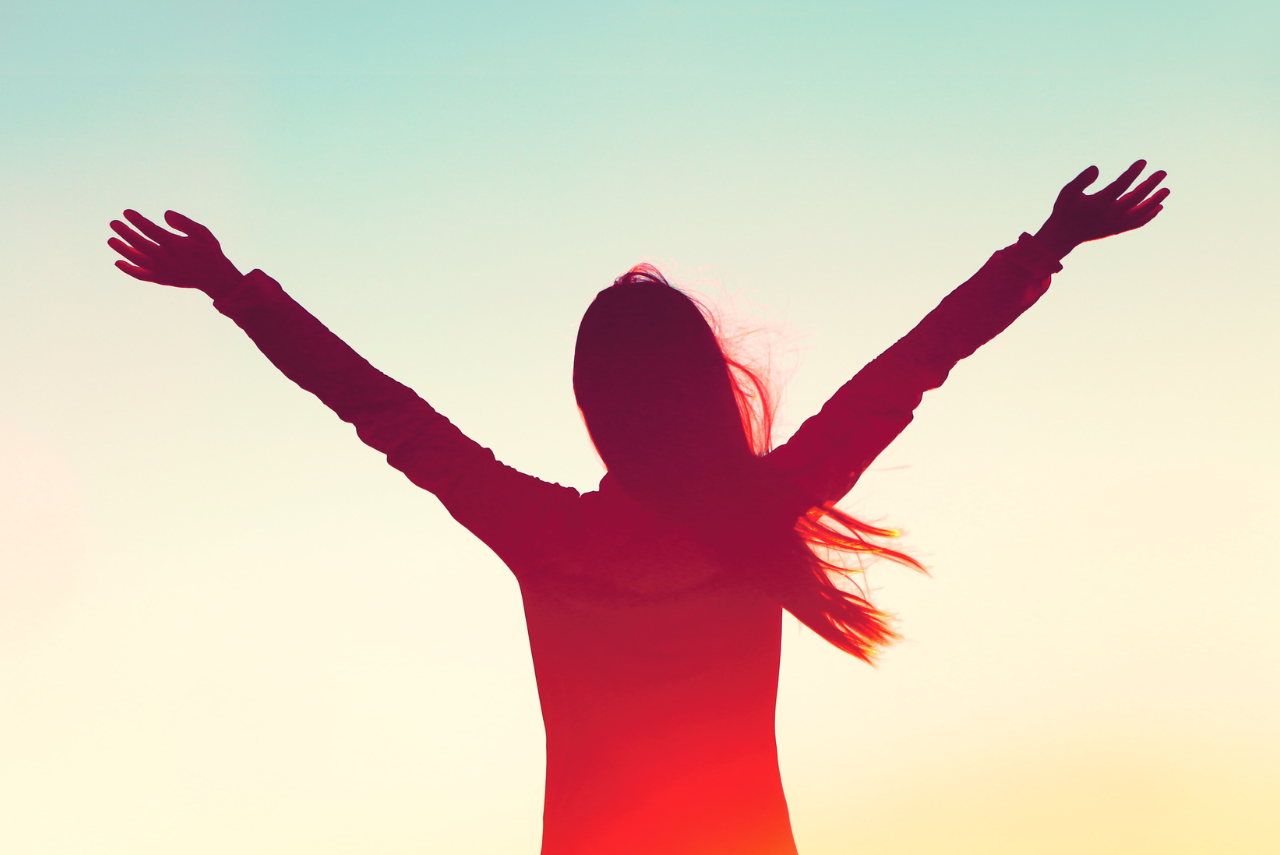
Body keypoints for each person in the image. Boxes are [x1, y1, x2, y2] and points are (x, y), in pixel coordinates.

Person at [108, 161, 1168, 855]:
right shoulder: (766, 508)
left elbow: (379, 409)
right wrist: (1043, 247)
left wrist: (231, 288)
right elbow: (911, 369)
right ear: (708, 386)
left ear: (590, 405)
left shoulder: (542, 533)